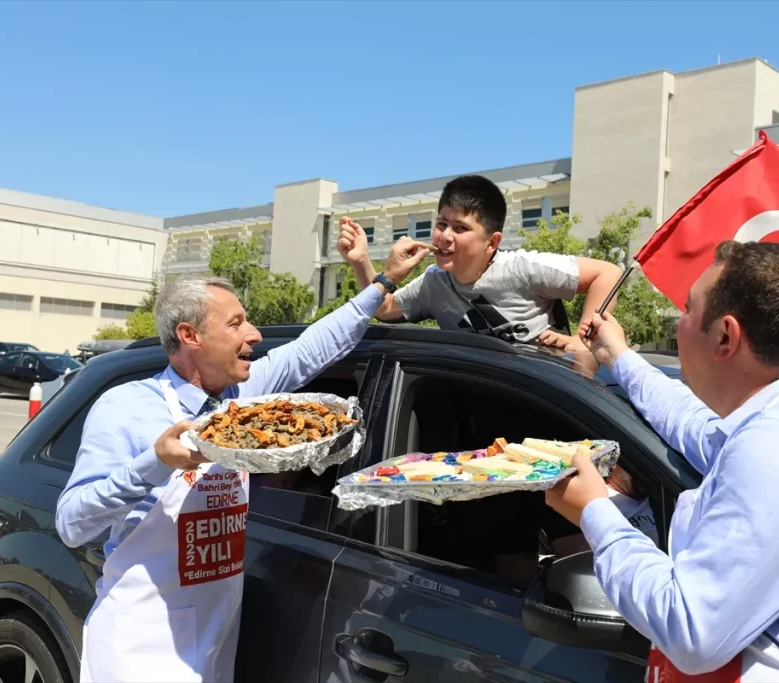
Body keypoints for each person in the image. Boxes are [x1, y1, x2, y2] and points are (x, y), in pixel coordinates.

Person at [55, 240, 427, 683]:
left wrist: (384, 280)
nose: (254, 334)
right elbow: (72, 525)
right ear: (190, 336)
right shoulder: (126, 406)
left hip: (215, 641)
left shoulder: (244, 399)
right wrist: (155, 461)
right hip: (141, 643)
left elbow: (315, 345)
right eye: (237, 323)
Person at [545, 241, 779, 682]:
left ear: (725, 335)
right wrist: (619, 359)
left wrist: (596, 516)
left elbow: (690, 630)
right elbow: (689, 422)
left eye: (687, 308)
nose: (679, 323)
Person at [337, 174, 621, 350]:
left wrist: (585, 341)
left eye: (460, 229)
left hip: (546, 396)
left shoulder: (522, 268)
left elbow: (607, 273)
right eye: (441, 224)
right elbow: (384, 309)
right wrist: (361, 261)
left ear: (492, 242)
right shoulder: (434, 282)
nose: (445, 236)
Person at [542, 464, 660, 557]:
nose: (645, 473)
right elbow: (580, 563)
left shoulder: (662, 499)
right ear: (614, 464)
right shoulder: (582, 501)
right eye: (636, 466)